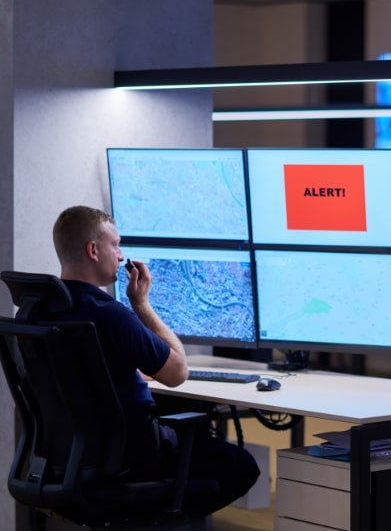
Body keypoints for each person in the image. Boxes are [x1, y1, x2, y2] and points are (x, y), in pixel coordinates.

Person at [49, 205, 260, 517]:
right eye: (115, 245)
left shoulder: (40, 310)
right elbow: (177, 372)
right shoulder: (111, 315)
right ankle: (154, 518)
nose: (121, 256)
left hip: (66, 460)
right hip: (134, 459)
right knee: (241, 466)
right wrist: (141, 304)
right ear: (93, 250)